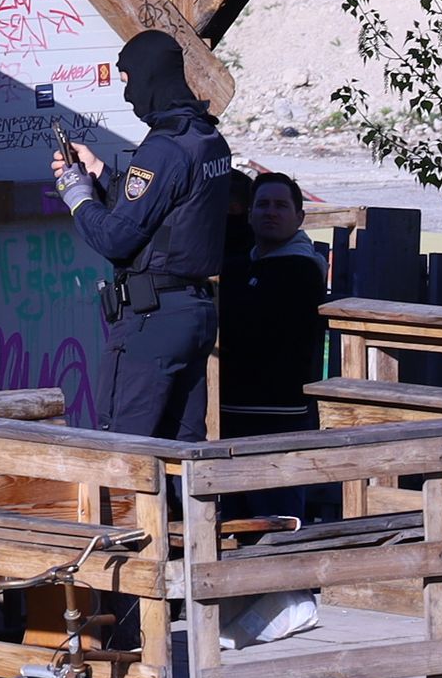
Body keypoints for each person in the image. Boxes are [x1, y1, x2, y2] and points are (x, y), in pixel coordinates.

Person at [52, 31, 233, 441]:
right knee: (182, 448)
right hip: (195, 313)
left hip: (153, 318)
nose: (128, 95)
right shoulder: (206, 138)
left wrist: (77, 197)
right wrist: (100, 174)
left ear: (149, 77)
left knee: (124, 445)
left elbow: (118, 239)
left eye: (128, 80)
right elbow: (168, 210)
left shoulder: (164, 147)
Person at [217, 170, 331, 442]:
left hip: (279, 411)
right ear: (249, 215)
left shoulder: (302, 269)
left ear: (299, 217)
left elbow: (245, 322)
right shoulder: (241, 266)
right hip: (232, 406)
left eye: (281, 206)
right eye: (262, 205)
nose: (271, 212)